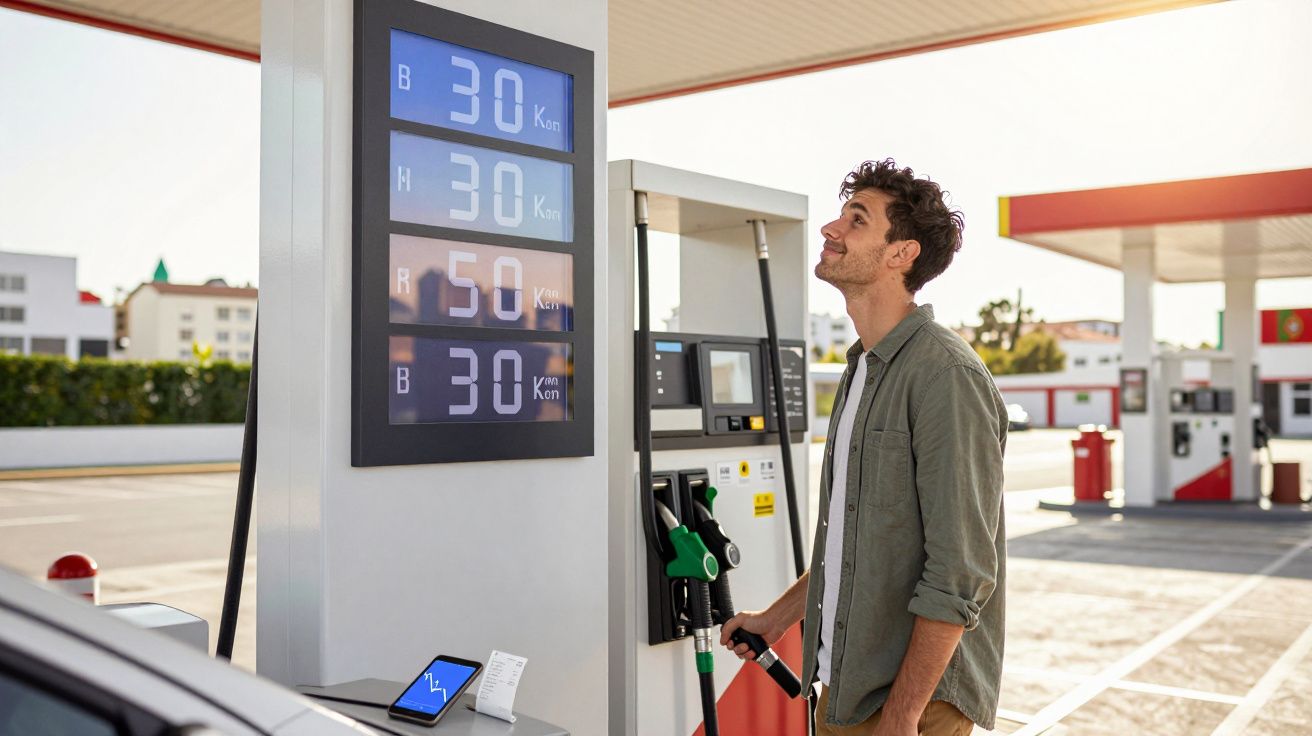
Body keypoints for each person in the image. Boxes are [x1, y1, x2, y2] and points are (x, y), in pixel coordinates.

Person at [721, 159, 1006, 736]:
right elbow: (854, 542)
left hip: (911, 703)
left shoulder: (945, 375)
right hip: (848, 688)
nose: (830, 229)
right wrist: (776, 620)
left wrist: (902, 716)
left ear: (901, 253)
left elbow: (961, 573)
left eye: (856, 220)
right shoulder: (863, 370)